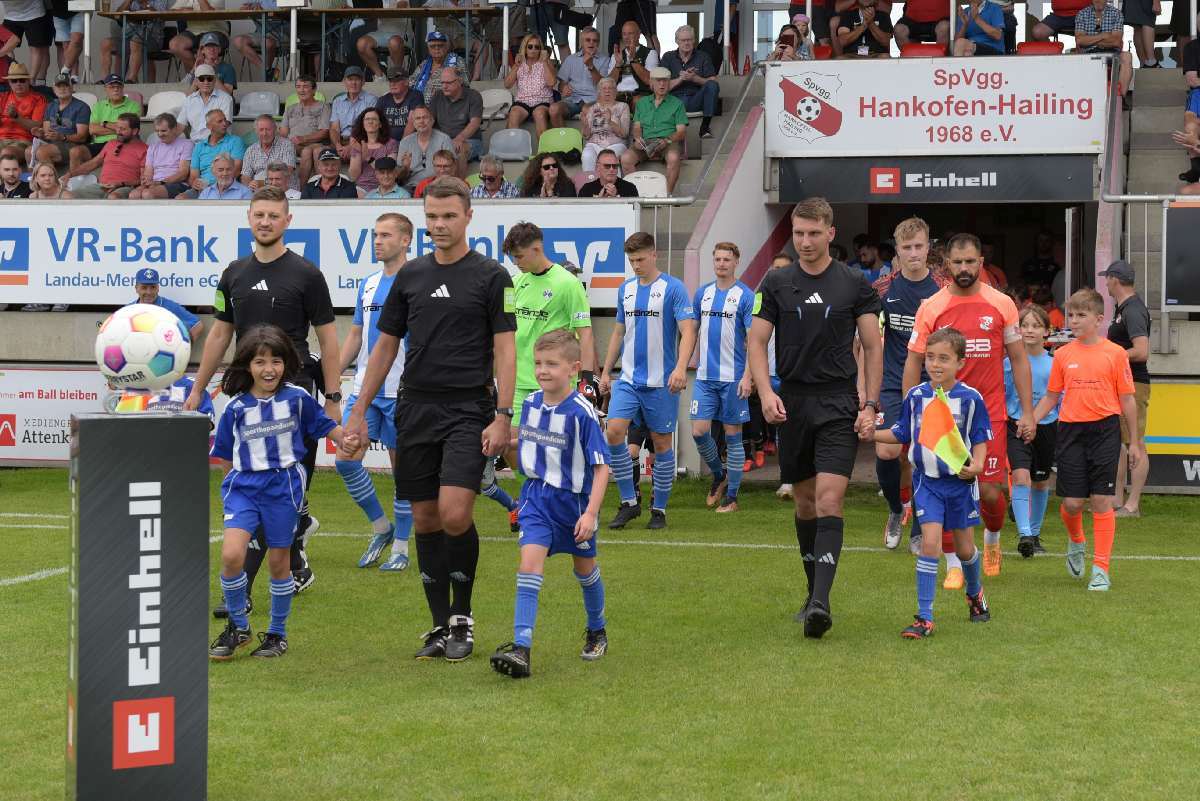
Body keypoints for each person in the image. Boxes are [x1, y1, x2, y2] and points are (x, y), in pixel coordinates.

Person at [342, 176, 517, 662]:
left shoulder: (491, 276)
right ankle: (438, 626)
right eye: (433, 217)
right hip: (413, 406)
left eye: (449, 216)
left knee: (456, 512)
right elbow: (384, 346)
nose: (440, 225)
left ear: (468, 217)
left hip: (469, 408)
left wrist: (503, 414)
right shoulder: (410, 276)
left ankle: (463, 618)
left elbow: (506, 349)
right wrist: (358, 408)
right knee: (423, 517)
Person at [186, 186, 342, 607]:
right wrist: (198, 388)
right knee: (252, 477)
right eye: (259, 215)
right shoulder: (234, 272)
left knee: (286, 478)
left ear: (288, 221)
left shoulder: (307, 274)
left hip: (294, 392)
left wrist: (332, 394)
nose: (266, 222)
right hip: (245, 390)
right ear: (249, 218)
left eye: (274, 215)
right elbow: (220, 332)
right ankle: (275, 564)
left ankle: (276, 559)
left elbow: (328, 340)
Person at [747, 197, 882, 639]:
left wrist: (869, 404)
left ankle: (821, 604)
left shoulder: (855, 283)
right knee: (804, 502)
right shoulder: (776, 281)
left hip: (839, 401)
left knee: (828, 499)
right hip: (794, 404)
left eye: (812, 233)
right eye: (798, 234)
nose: (804, 242)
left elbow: (873, 346)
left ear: (830, 233)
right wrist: (766, 392)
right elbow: (757, 340)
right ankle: (811, 595)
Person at [208, 325, 347, 661]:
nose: (268, 369)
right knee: (231, 555)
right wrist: (233, 488)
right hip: (243, 488)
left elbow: (324, 426)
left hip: (282, 488)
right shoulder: (237, 407)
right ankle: (238, 627)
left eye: (275, 361)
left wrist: (346, 439)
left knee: (278, 561)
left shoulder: (297, 398)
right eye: (259, 362)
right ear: (247, 367)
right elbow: (224, 453)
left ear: (286, 363)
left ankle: (276, 635)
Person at [905, 233, 1035, 579]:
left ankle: (992, 539)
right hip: (942, 415)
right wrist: (911, 413)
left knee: (991, 492)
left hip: (988, 413)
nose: (964, 268)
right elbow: (914, 360)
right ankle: (953, 565)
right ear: (947, 264)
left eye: (970, 261)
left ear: (981, 262)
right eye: (957, 262)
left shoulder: (1002, 304)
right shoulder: (932, 306)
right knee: (947, 489)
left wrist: (1027, 411)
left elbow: (1019, 360)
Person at [489, 330, 610, 679]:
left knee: (585, 571)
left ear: (573, 369)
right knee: (528, 566)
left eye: (552, 364)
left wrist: (590, 513)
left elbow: (602, 469)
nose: (543, 370)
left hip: (573, 506)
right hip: (537, 500)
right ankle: (522, 649)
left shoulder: (583, 413)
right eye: (539, 363)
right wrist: (502, 440)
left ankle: (597, 630)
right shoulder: (530, 404)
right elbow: (530, 443)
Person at [875, 327, 993, 640]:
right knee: (930, 544)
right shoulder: (915, 396)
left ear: (960, 363)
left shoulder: (970, 399)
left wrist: (977, 465)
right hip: (926, 483)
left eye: (944, 358)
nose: (935, 364)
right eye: (930, 357)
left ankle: (975, 593)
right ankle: (925, 617)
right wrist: (870, 434)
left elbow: (980, 436)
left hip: (960, 485)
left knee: (966, 549)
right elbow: (901, 432)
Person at [1032, 288, 1143, 592]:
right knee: (1071, 503)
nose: (1075, 320)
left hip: (1105, 431)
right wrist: (1031, 419)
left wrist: (1133, 442)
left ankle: (1101, 569)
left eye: (1081, 315)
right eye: (1071, 315)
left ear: (1099, 318)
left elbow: (1128, 401)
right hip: (1070, 432)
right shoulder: (1063, 354)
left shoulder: (1116, 353)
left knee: (1102, 501)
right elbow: (1052, 396)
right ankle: (1077, 541)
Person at [501, 221, 596, 530]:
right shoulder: (516, 282)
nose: (517, 263)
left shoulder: (568, 284)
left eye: (520, 256)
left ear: (537, 249)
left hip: (554, 384)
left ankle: (559, 504)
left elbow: (584, 332)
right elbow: (504, 328)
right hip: (517, 381)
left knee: (558, 447)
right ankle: (531, 497)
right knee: (509, 443)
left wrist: (587, 377)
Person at [600, 232, 697, 530]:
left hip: (661, 382)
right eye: (632, 260)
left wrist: (681, 368)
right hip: (628, 379)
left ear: (654, 255)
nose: (636, 265)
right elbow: (618, 331)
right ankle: (629, 502)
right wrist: (606, 371)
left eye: (641, 259)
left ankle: (659, 510)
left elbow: (688, 331)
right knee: (614, 432)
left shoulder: (673, 288)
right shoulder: (626, 289)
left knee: (661, 443)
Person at [336, 213, 415, 572]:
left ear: (406, 240)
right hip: (364, 388)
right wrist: (332, 375)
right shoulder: (367, 284)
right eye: (374, 235)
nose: (377, 241)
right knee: (345, 458)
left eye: (386, 235)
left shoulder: (417, 281)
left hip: (404, 390)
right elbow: (355, 334)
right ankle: (382, 528)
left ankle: (401, 546)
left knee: (404, 472)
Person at [873, 217, 945, 554]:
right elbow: (866, 341)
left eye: (919, 246)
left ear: (928, 247)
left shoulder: (942, 291)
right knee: (886, 451)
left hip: (931, 386)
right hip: (890, 383)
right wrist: (865, 390)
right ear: (897, 250)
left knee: (922, 457)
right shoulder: (883, 289)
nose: (914, 253)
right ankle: (894, 508)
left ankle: (918, 526)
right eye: (907, 247)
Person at [690, 242, 754, 513]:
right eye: (717, 259)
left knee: (732, 435)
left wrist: (748, 376)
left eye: (727, 259)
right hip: (704, 377)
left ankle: (733, 497)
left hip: (733, 377)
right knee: (699, 431)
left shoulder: (746, 295)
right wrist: (683, 366)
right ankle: (719, 474)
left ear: (736, 262)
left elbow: (754, 341)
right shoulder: (702, 293)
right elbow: (691, 331)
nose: (721, 264)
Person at [1100, 260, 1152, 518]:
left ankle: (1132, 504)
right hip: (1123, 383)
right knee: (1121, 443)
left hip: (1135, 384)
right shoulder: (1125, 308)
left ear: (1114, 280)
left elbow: (1142, 351)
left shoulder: (1132, 310)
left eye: (1107, 279)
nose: (1105, 284)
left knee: (1136, 442)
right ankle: (1117, 499)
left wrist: (1111, 357)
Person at [1005, 304, 1057, 558]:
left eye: (1036, 325)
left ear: (1047, 331)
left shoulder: (1054, 365)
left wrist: (1036, 419)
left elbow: (1056, 398)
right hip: (1015, 426)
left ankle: (1035, 534)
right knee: (1020, 477)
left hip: (1047, 428)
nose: (1029, 330)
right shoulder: (1008, 363)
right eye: (1024, 325)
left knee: (1040, 482)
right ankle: (1024, 534)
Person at [622, 66, 687, 195]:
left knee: (673, 157)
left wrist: (667, 140)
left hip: (668, 141)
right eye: (658, 81)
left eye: (665, 81)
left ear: (669, 83)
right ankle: (638, 194)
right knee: (625, 158)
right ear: (651, 83)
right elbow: (636, 127)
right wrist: (638, 138)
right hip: (646, 141)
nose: (662, 84)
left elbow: (681, 132)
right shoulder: (642, 103)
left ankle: (666, 196)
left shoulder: (677, 104)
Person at [62, 113, 146, 199]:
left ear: (135, 131)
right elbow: (93, 163)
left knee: (113, 197)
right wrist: (70, 174)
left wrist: (121, 183)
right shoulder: (111, 143)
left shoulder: (145, 150)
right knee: (67, 196)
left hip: (125, 187)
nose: (118, 132)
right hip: (102, 186)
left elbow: (144, 180)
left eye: (123, 129)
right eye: (117, 127)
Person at [660, 25, 719, 138]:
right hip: (674, 101)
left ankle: (705, 127)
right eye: (683, 40)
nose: (687, 43)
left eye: (689, 40)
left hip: (695, 99)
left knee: (712, 85)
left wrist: (695, 78)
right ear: (677, 41)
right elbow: (659, 86)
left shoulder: (703, 56)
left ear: (694, 40)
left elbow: (713, 81)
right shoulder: (668, 57)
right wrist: (680, 79)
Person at [550, 27, 611, 126]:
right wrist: (563, 88)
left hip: (594, 100)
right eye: (588, 40)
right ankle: (564, 140)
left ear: (598, 43)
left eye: (594, 40)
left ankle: (590, 141)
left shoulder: (605, 60)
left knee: (587, 109)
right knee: (554, 109)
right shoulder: (571, 59)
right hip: (573, 99)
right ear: (581, 42)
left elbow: (603, 86)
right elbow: (561, 84)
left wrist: (591, 66)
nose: (591, 43)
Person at [179, 109, 244, 199]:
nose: (224, 124)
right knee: (180, 198)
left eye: (225, 120)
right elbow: (194, 176)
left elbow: (236, 170)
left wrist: (215, 186)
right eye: (220, 121)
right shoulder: (199, 146)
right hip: (202, 189)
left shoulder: (235, 141)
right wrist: (195, 183)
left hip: (225, 186)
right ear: (209, 126)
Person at [429, 67, 483, 174]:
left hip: (469, 140)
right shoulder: (437, 96)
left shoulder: (473, 96)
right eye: (442, 82)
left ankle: (459, 187)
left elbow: (475, 123)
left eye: (448, 82)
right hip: (443, 140)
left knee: (459, 149)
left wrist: (460, 138)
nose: (444, 86)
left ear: (460, 81)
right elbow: (430, 120)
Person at [127, 266, 203, 341]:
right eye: (144, 287)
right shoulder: (128, 310)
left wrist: (183, 348)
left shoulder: (170, 307)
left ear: (158, 288)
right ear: (136, 288)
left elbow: (197, 325)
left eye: (153, 287)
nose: (149, 292)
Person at [504, 34, 557, 140]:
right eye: (530, 46)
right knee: (513, 114)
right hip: (523, 101)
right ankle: (515, 152)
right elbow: (507, 85)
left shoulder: (546, 63)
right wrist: (516, 66)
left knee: (539, 114)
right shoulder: (519, 63)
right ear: (525, 48)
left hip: (542, 100)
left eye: (537, 47)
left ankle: (542, 153)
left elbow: (552, 83)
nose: (533, 50)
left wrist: (545, 62)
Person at [280, 75, 331, 184]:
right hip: (293, 145)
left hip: (317, 143)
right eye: (298, 87)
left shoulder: (323, 107)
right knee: (304, 150)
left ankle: (306, 190)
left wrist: (303, 139)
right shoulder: (290, 109)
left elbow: (324, 132)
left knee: (308, 151)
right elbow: (283, 132)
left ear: (314, 90)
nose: (301, 90)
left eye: (305, 86)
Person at [30, 74, 89, 168]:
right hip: (52, 143)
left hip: (71, 144)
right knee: (28, 152)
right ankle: (33, 181)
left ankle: (50, 181)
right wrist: (41, 134)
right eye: (59, 86)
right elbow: (47, 132)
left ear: (71, 87)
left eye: (66, 85)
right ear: (54, 89)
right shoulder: (51, 106)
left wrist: (63, 137)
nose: (62, 89)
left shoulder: (81, 107)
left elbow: (82, 137)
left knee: (42, 152)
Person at [395, 106, 454, 192]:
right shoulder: (405, 142)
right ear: (413, 122)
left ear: (432, 120)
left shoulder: (444, 139)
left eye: (425, 117)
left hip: (437, 186)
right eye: (418, 118)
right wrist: (406, 168)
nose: (421, 121)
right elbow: (399, 179)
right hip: (411, 188)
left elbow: (452, 169)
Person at [329, 66, 379, 168]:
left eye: (357, 79)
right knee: (321, 154)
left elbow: (370, 128)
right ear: (344, 81)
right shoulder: (337, 101)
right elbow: (334, 128)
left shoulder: (371, 100)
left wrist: (351, 146)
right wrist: (338, 146)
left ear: (363, 82)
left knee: (356, 153)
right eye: (350, 79)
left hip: (362, 141)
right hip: (341, 142)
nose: (353, 83)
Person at [580, 78, 630, 172]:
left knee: (609, 157)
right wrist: (585, 125)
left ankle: (612, 185)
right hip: (594, 144)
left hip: (615, 144)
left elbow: (625, 133)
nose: (607, 91)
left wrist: (610, 121)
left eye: (610, 88)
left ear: (616, 91)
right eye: (604, 88)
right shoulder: (592, 108)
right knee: (587, 155)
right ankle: (589, 183)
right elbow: (586, 136)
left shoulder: (623, 106)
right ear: (599, 92)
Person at [0, 63, 47, 165]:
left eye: (22, 80)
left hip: (23, 141)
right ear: (9, 82)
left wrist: (17, 117)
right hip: (1, 139)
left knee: (6, 153)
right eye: (14, 81)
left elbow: (36, 126)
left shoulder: (38, 99)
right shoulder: (2, 97)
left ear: (28, 81)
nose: (18, 84)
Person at [231, 0, 288, 82]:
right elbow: (244, 7)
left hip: (282, 33)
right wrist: (248, 7)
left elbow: (288, 7)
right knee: (238, 41)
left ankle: (267, 74)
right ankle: (267, 71)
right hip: (261, 33)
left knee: (267, 42)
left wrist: (263, 7)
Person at [345, 108, 397, 196]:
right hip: (362, 187)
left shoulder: (390, 143)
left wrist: (368, 158)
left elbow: (389, 169)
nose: (370, 122)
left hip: (385, 186)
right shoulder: (358, 144)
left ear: (380, 124)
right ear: (363, 124)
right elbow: (354, 176)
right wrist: (358, 152)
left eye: (374, 119)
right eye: (367, 119)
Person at [114, 0, 169, 83]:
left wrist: (144, 3)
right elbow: (117, 15)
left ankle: (131, 79)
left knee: (136, 41)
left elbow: (162, 16)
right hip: (130, 37)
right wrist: (128, 1)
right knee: (105, 44)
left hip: (153, 39)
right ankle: (108, 81)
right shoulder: (134, 2)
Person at [354, 0, 409, 82]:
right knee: (362, 44)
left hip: (401, 33)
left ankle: (397, 75)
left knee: (394, 42)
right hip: (382, 33)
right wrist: (359, 10)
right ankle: (380, 76)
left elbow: (402, 6)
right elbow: (370, 19)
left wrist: (380, 11)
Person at [180, 64, 235, 143]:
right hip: (194, 144)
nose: (206, 82)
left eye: (209, 79)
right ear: (196, 81)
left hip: (218, 143)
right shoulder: (189, 100)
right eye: (202, 79)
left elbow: (225, 124)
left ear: (215, 80)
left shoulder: (225, 98)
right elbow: (180, 125)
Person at [241, 114, 297, 191]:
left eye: (268, 129)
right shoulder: (250, 150)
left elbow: (287, 172)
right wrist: (250, 183)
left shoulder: (287, 145)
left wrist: (261, 183)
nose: (264, 133)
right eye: (261, 130)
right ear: (256, 131)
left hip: (284, 193)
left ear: (275, 129)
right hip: (259, 193)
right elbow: (245, 176)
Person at [168, 8, 230, 76]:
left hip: (215, 29)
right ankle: (198, 76)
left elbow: (209, 12)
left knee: (207, 46)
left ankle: (208, 78)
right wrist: (184, 9)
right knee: (175, 45)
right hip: (192, 31)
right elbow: (173, 10)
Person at [1, 1, 52, 84]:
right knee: (6, 47)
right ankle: (12, 77)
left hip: (34, 14)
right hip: (11, 16)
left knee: (37, 49)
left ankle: (32, 82)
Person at [609, 20, 658, 105]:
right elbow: (609, 83)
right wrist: (618, 65)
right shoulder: (617, 55)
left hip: (640, 94)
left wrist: (633, 60)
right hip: (619, 95)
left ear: (639, 34)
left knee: (638, 101)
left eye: (630, 33)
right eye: (624, 34)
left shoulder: (650, 53)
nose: (626, 37)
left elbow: (649, 80)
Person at [410, 30, 463, 104]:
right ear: (428, 49)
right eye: (433, 46)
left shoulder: (456, 61)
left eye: (440, 45)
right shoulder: (424, 65)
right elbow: (411, 84)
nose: (436, 48)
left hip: (446, 106)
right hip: (421, 107)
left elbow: (464, 84)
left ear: (446, 47)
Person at [376, 67, 424, 139]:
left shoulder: (415, 96)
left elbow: (412, 123)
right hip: (386, 143)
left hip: (408, 143)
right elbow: (374, 120)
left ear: (406, 82)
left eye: (396, 81)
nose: (392, 84)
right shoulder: (383, 100)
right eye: (390, 81)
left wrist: (402, 145)